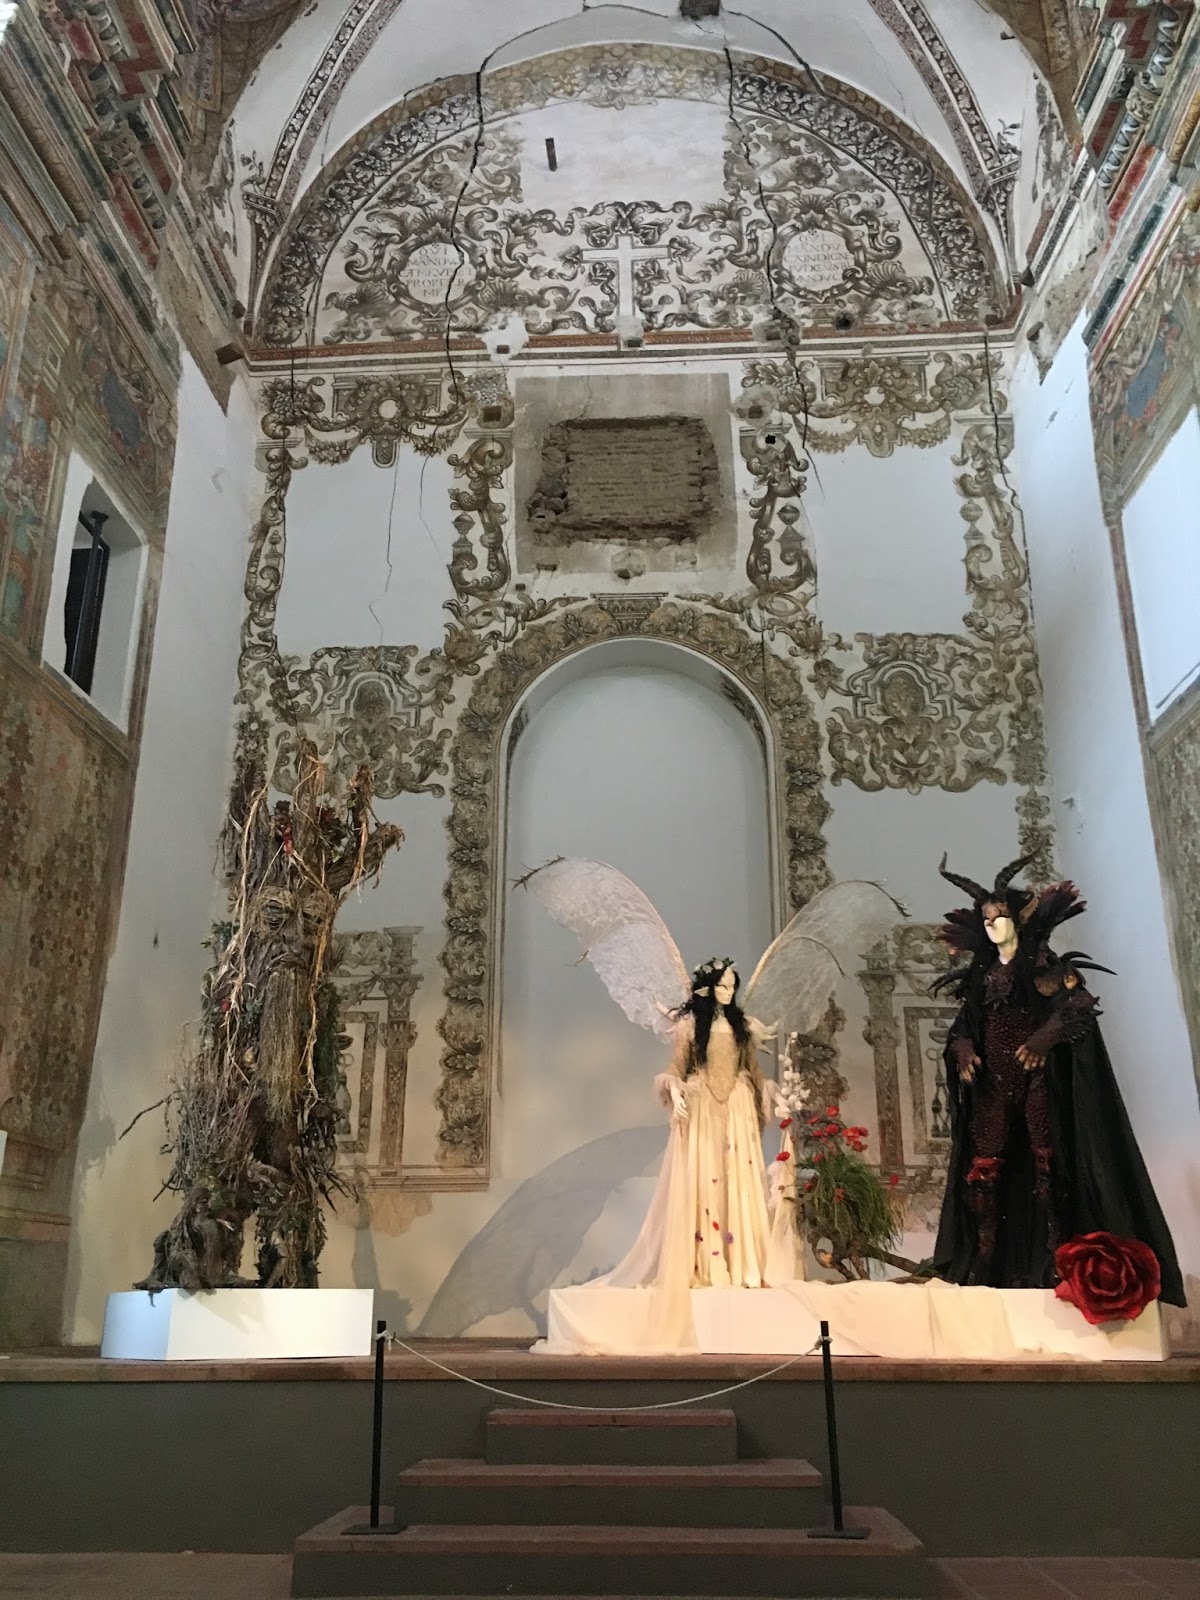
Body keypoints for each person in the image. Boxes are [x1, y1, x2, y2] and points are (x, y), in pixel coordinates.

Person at [931, 852, 1184, 1305]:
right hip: (993, 1084)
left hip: (1036, 1080)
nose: (993, 926)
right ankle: (984, 1259)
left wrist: (1044, 1040)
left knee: (1047, 1165)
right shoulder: (982, 977)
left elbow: (1078, 1005)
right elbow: (964, 1028)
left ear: (1016, 918)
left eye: (1000, 917)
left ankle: (1054, 1254)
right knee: (983, 1171)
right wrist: (965, 1050)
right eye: (986, 920)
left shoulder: (1043, 965)